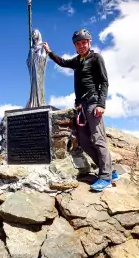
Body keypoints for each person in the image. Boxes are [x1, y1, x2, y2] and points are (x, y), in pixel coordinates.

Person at [43, 29, 118, 191]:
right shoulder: (77, 61)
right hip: (80, 106)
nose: (81, 45)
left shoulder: (96, 58)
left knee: (98, 139)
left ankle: (105, 177)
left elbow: (104, 82)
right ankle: (109, 170)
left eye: (84, 42)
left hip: (93, 103)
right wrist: (49, 52)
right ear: (75, 46)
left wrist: (101, 104)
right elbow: (62, 62)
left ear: (89, 43)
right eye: (78, 43)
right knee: (84, 141)